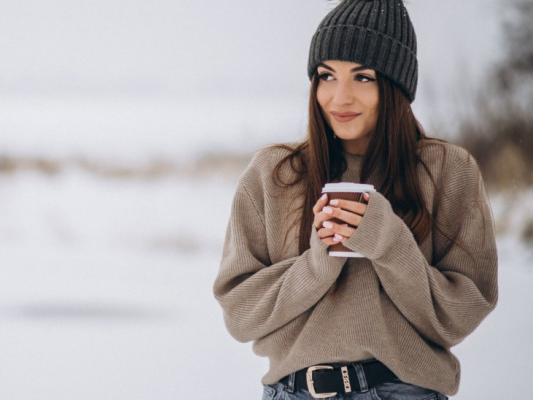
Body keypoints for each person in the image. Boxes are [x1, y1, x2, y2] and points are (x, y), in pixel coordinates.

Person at [213, 1, 498, 399]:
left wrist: (389, 242)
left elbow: (461, 313)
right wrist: (318, 261)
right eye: (326, 75)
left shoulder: (447, 170)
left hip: (402, 391)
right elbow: (241, 316)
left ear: (394, 85)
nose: (339, 97)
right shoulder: (275, 174)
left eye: (362, 77)